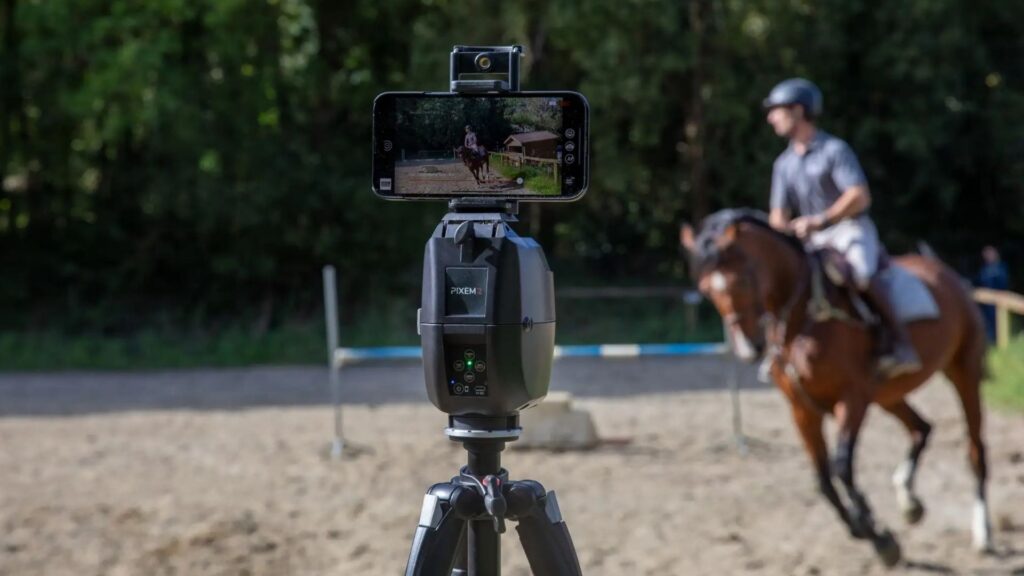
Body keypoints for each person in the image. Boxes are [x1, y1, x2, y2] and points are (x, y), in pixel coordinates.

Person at [763, 78, 921, 378]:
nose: (771, 118)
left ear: (798, 111)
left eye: (777, 111)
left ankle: (899, 342)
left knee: (860, 273)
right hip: (811, 238)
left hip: (847, 229)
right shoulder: (782, 164)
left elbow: (859, 195)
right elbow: (777, 216)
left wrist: (820, 220)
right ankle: (776, 350)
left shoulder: (834, 150)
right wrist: (784, 230)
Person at [977, 245, 1009, 341]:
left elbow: (1003, 284)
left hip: (998, 300)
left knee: (997, 322)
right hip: (985, 302)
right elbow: (979, 282)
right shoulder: (984, 269)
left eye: (989, 254)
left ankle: (998, 340)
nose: (987, 256)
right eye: (986, 254)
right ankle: (989, 340)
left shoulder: (1000, 268)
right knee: (987, 322)